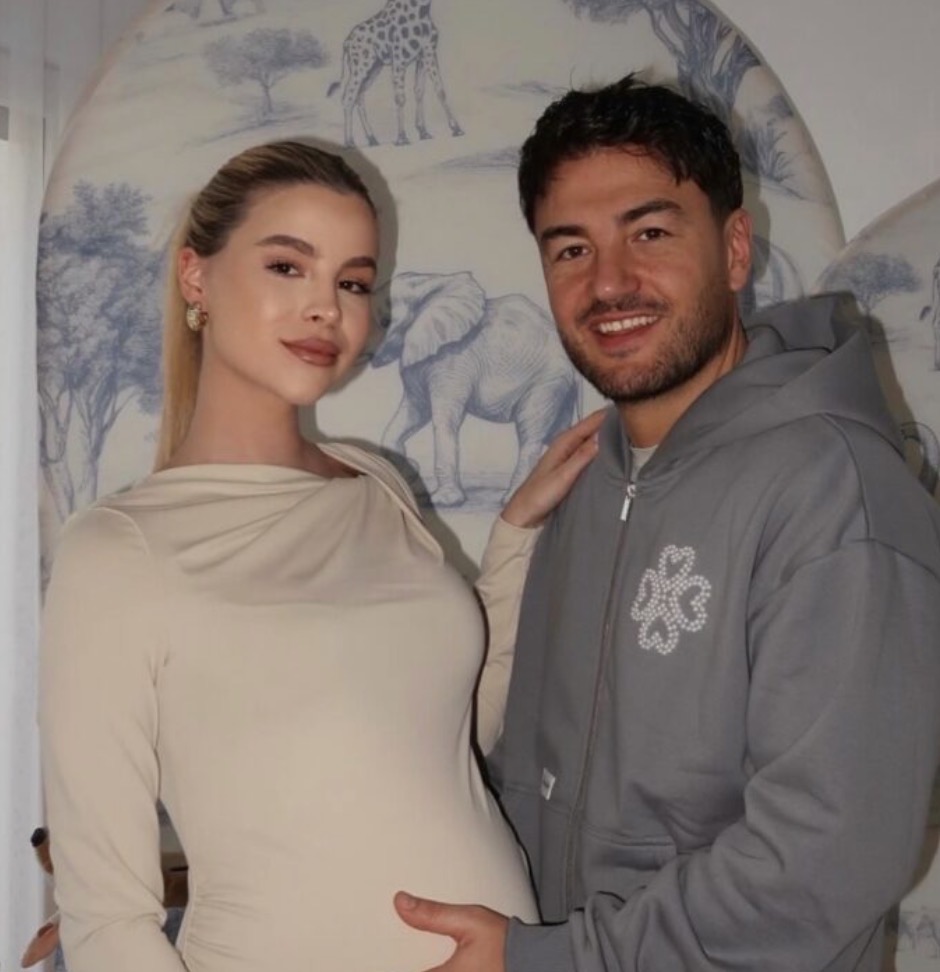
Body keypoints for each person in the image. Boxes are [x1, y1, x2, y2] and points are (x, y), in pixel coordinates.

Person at [394, 75, 940, 971]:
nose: (609, 282)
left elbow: (823, 863)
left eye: (649, 233)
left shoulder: (835, 492)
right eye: (571, 249)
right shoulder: (582, 490)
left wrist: (548, 962)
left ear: (735, 249)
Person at [38, 139, 602, 972]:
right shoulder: (116, 552)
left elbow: (444, 733)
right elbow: (108, 921)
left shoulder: (377, 483)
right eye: (287, 267)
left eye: (352, 282)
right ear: (196, 277)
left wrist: (514, 534)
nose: (325, 308)